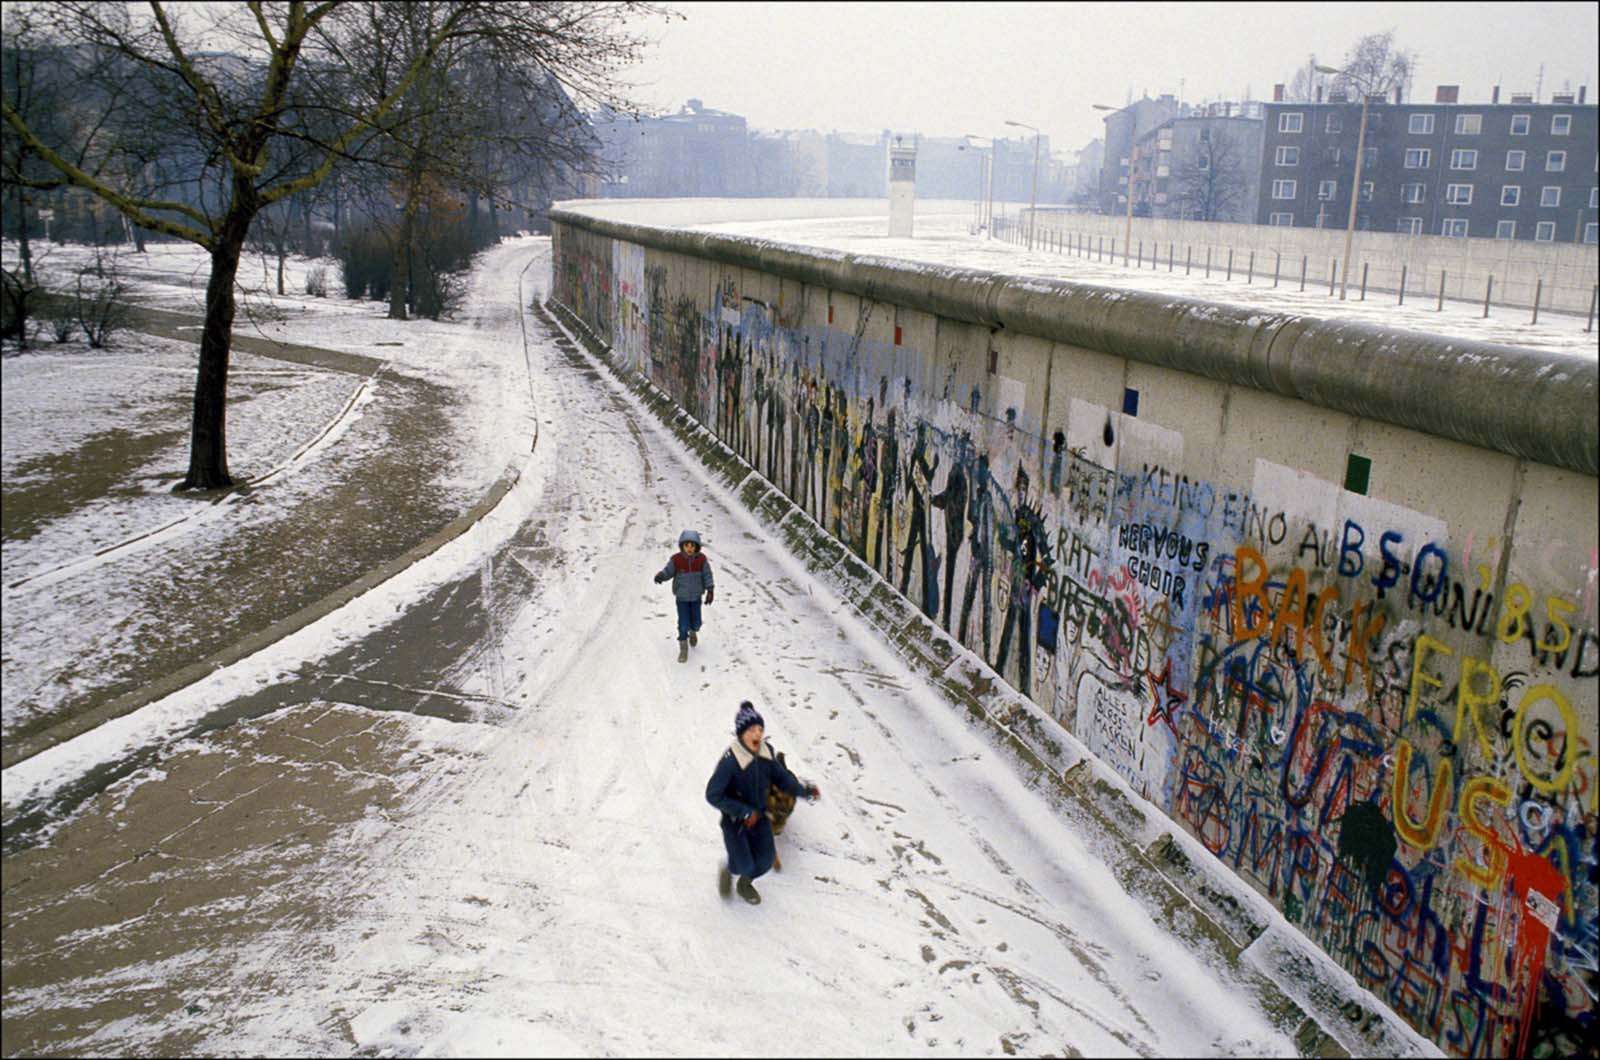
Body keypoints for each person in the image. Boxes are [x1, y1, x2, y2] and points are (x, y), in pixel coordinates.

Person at [705, 702, 819, 905]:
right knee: (743, 864)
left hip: (761, 818)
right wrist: (743, 812)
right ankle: (730, 871)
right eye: (751, 730)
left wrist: (805, 791)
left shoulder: (766, 755)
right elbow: (713, 795)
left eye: (760, 729)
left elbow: (784, 779)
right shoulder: (730, 762)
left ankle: (744, 884)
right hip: (736, 822)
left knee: (765, 860)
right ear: (741, 734)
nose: (757, 734)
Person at [653, 529, 714, 663]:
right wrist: (661, 576)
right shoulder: (677, 560)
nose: (689, 549)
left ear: (697, 546)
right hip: (682, 598)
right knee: (683, 623)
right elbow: (668, 571)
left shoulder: (701, 560)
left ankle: (693, 631)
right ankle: (683, 647)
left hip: (696, 597)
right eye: (687, 545)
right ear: (682, 546)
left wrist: (710, 590)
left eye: (692, 546)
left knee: (696, 622)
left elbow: (707, 575)